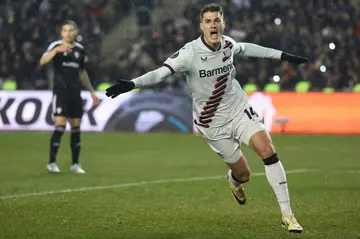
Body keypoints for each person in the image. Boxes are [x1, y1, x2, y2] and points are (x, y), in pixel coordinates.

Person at [105, 3, 307, 233]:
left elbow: (248, 48)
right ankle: (234, 181)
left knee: (268, 150)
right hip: (212, 122)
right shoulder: (189, 53)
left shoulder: (228, 44)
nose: (213, 24)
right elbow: (160, 73)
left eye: (217, 20)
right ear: (201, 26)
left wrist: (283, 56)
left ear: (223, 24)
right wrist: (132, 84)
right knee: (244, 174)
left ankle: (287, 215)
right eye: (208, 21)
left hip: (238, 109)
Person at [39, 21, 100, 174]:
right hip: (61, 92)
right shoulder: (55, 45)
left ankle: (75, 164)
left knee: (76, 128)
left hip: (75, 93)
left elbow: (82, 72)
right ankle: (52, 163)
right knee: (60, 126)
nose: (68, 33)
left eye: (71, 30)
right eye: (65, 30)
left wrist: (92, 91)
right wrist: (55, 51)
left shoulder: (80, 49)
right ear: (61, 33)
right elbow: (42, 61)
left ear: (76, 32)